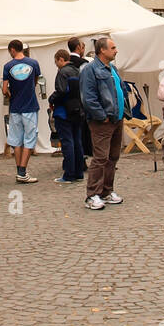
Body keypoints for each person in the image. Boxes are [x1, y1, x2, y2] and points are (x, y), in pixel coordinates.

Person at [81, 37, 125, 211]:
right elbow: (88, 97)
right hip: (103, 122)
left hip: (117, 119)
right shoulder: (90, 70)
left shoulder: (112, 68)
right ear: (102, 50)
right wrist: (102, 116)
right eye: (113, 47)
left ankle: (107, 191)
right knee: (100, 158)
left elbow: (118, 90)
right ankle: (92, 195)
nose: (116, 50)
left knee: (113, 157)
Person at [2, 40, 41, 184]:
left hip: (15, 107)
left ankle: (19, 170)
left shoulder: (8, 66)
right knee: (29, 138)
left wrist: (10, 95)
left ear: (12, 50)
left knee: (16, 140)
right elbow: (36, 80)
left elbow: (4, 89)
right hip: (30, 105)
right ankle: (22, 172)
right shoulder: (33, 63)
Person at [51, 49, 86, 183]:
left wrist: (51, 99)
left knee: (67, 142)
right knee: (77, 141)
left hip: (64, 111)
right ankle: (78, 172)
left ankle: (69, 174)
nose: (56, 65)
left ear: (61, 59)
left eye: (56, 62)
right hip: (78, 111)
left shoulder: (63, 72)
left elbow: (61, 91)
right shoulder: (78, 71)